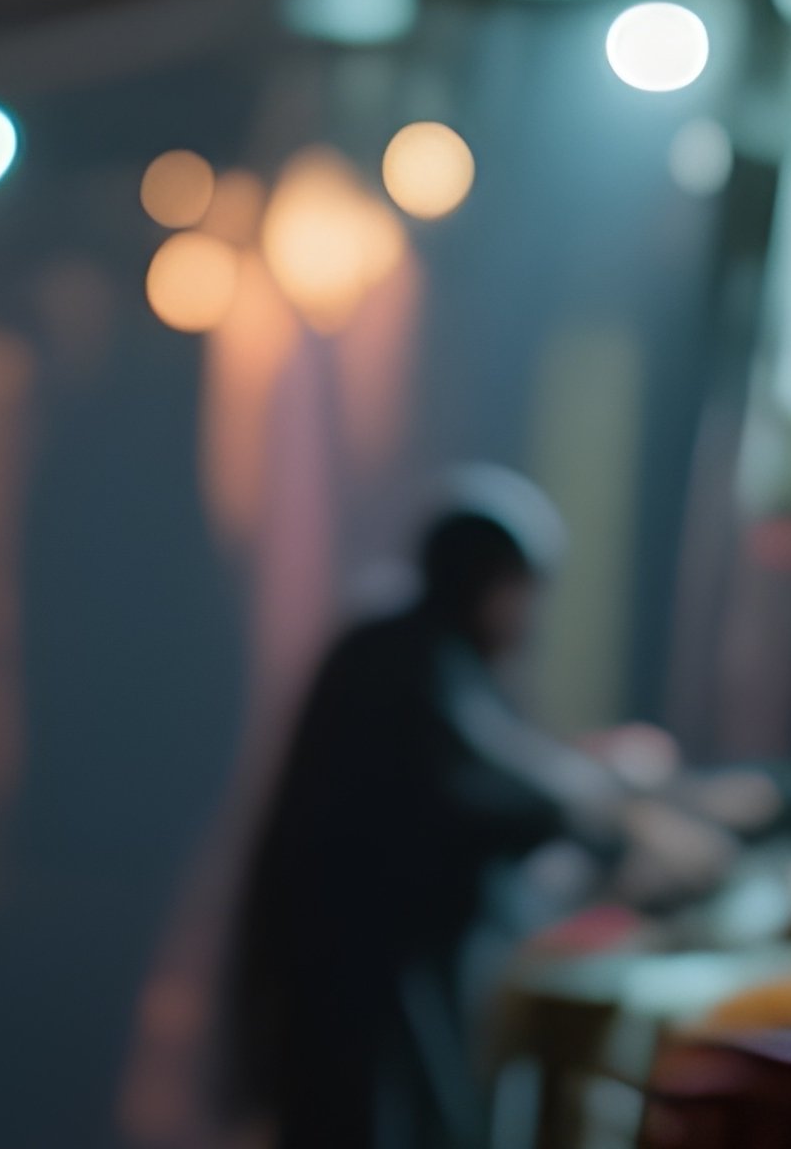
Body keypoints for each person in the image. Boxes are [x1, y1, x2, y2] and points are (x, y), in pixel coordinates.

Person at [219, 468, 622, 1149]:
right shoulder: (405, 660)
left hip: (365, 984)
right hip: (357, 991)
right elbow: (485, 787)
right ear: (492, 582)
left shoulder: (408, 648)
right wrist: (600, 798)